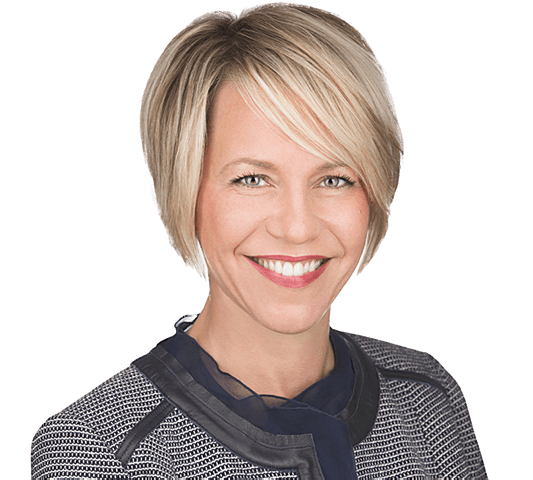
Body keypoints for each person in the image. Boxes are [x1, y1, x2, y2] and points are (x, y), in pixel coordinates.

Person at [31, 4, 486, 478]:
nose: (297, 227)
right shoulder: (97, 452)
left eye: (334, 179)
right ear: (186, 190)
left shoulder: (429, 398)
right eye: (252, 179)